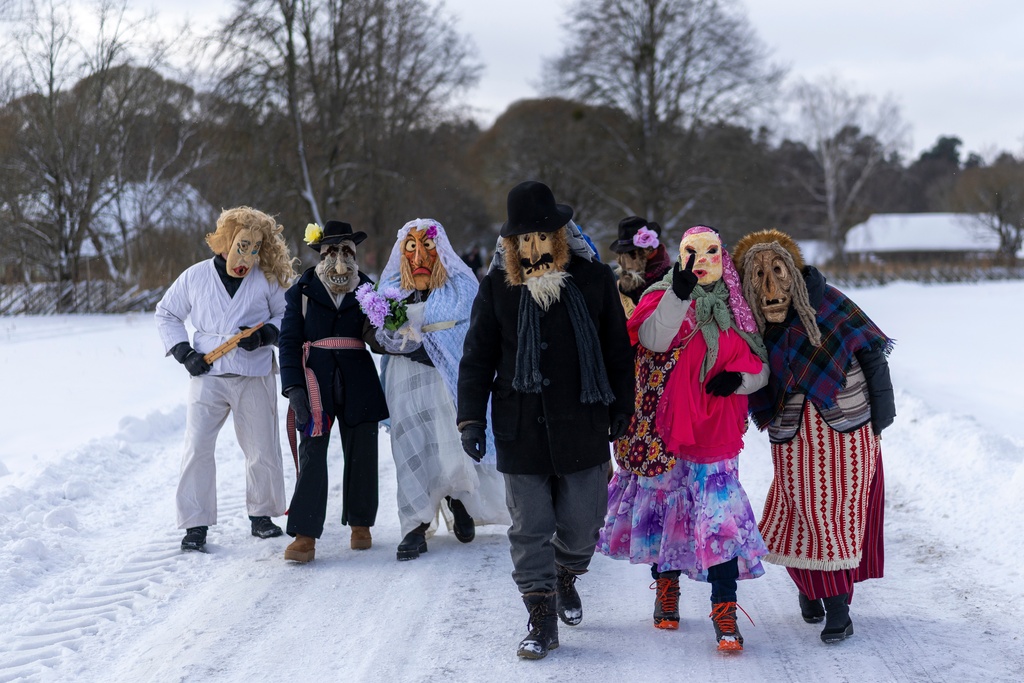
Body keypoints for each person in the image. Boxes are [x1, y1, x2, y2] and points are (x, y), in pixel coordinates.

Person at [457, 181, 635, 660]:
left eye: (541, 236)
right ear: (510, 244)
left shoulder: (596, 280)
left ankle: (564, 573)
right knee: (530, 525)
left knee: (583, 524)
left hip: (583, 420)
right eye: (523, 239)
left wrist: (622, 408)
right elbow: (477, 358)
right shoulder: (497, 287)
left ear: (559, 235)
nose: (532, 247)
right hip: (521, 425)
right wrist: (471, 418)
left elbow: (618, 352)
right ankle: (540, 616)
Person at [598, 225, 770, 652]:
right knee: (664, 512)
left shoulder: (738, 306)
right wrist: (678, 293)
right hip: (665, 429)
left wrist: (740, 382)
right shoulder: (661, 293)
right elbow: (654, 339)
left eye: (712, 252)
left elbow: (762, 368)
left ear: (722, 255)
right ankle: (666, 588)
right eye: (693, 253)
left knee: (720, 519)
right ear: (680, 257)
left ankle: (724, 606)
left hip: (715, 431)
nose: (703, 261)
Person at [732, 229, 895, 644]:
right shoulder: (751, 319)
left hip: (847, 427)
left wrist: (882, 415)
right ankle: (810, 588)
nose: (770, 286)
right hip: (792, 430)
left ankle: (837, 608)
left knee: (836, 515)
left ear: (795, 271)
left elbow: (871, 354)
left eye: (778, 272)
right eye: (759, 276)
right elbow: (747, 367)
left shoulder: (829, 302)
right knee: (799, 511)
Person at [155, 206, 295, 552]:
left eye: (255, 248)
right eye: (242, 245)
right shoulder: (195, 277)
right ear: (225, 241)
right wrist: (185, 353)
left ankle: (262, 515)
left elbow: (288, 315)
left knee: (261, 447)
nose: (247, 256)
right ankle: (195, 523)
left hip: (254, 374)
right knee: (197, 447)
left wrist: (264, 337)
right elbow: (167, 313)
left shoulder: (265, 279)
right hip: (208, 375)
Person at [368, 218, 508, 561]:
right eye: (411, 248)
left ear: (440, 249)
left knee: (450, 444)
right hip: (404, 381)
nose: (419, 257)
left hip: (446, 380)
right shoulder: (389, 289)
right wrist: (390, 341)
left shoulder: (461, 287)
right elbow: (370, 332)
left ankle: (458, 500)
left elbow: (473, 333)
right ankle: (414, 525)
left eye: (427, 247)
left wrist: (433, 347)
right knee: (410, 446)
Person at [277, 220, 389, 563]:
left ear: (354, 255)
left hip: (359, 379)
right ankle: (305, 535)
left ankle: (361, 524)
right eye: (332, 251)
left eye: (346, 251)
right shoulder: (303, 291)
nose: (339, 258)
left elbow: (380, 339)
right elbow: (289, 341)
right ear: (321, 254)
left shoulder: (367, 289)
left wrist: (387, 328)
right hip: (315, 382)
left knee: (363, 453)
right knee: (313, 455)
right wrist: (294, 386)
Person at [609, 216, 671, 318]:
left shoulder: (671, 280)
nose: (624, 260)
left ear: (649, 251)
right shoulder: (619, 284)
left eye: (630, 253)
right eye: (622, 254)